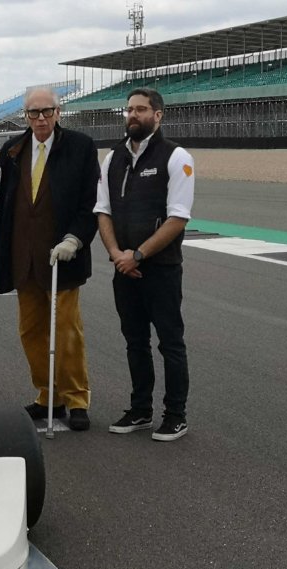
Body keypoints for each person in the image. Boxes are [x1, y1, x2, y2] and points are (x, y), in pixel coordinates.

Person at [0, 88, 99, 432]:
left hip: (62, 258)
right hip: (24, 258)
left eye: (46, 112)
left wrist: (75, 238)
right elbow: (2, 203)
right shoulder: (12, 150)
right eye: (33, 113)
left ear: (58, 112)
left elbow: (90, 202)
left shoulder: (80, 147)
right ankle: (48, 394)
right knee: (30, 331)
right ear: (25, 116)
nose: (40, 119)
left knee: (66, 331)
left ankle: (76, 397)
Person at [94, 88, 195, 442]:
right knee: (134, 341)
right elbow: (102, 211)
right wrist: (118, 254)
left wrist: (137, 255)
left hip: (161, 269)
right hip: (124, 269)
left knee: (170, 343)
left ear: (158, 115)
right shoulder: (113, 158)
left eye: (140, 109)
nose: (133, 115)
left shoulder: (176, 157)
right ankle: (140, 409)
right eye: (129, 110)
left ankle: (176, 415)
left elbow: (177, 218)